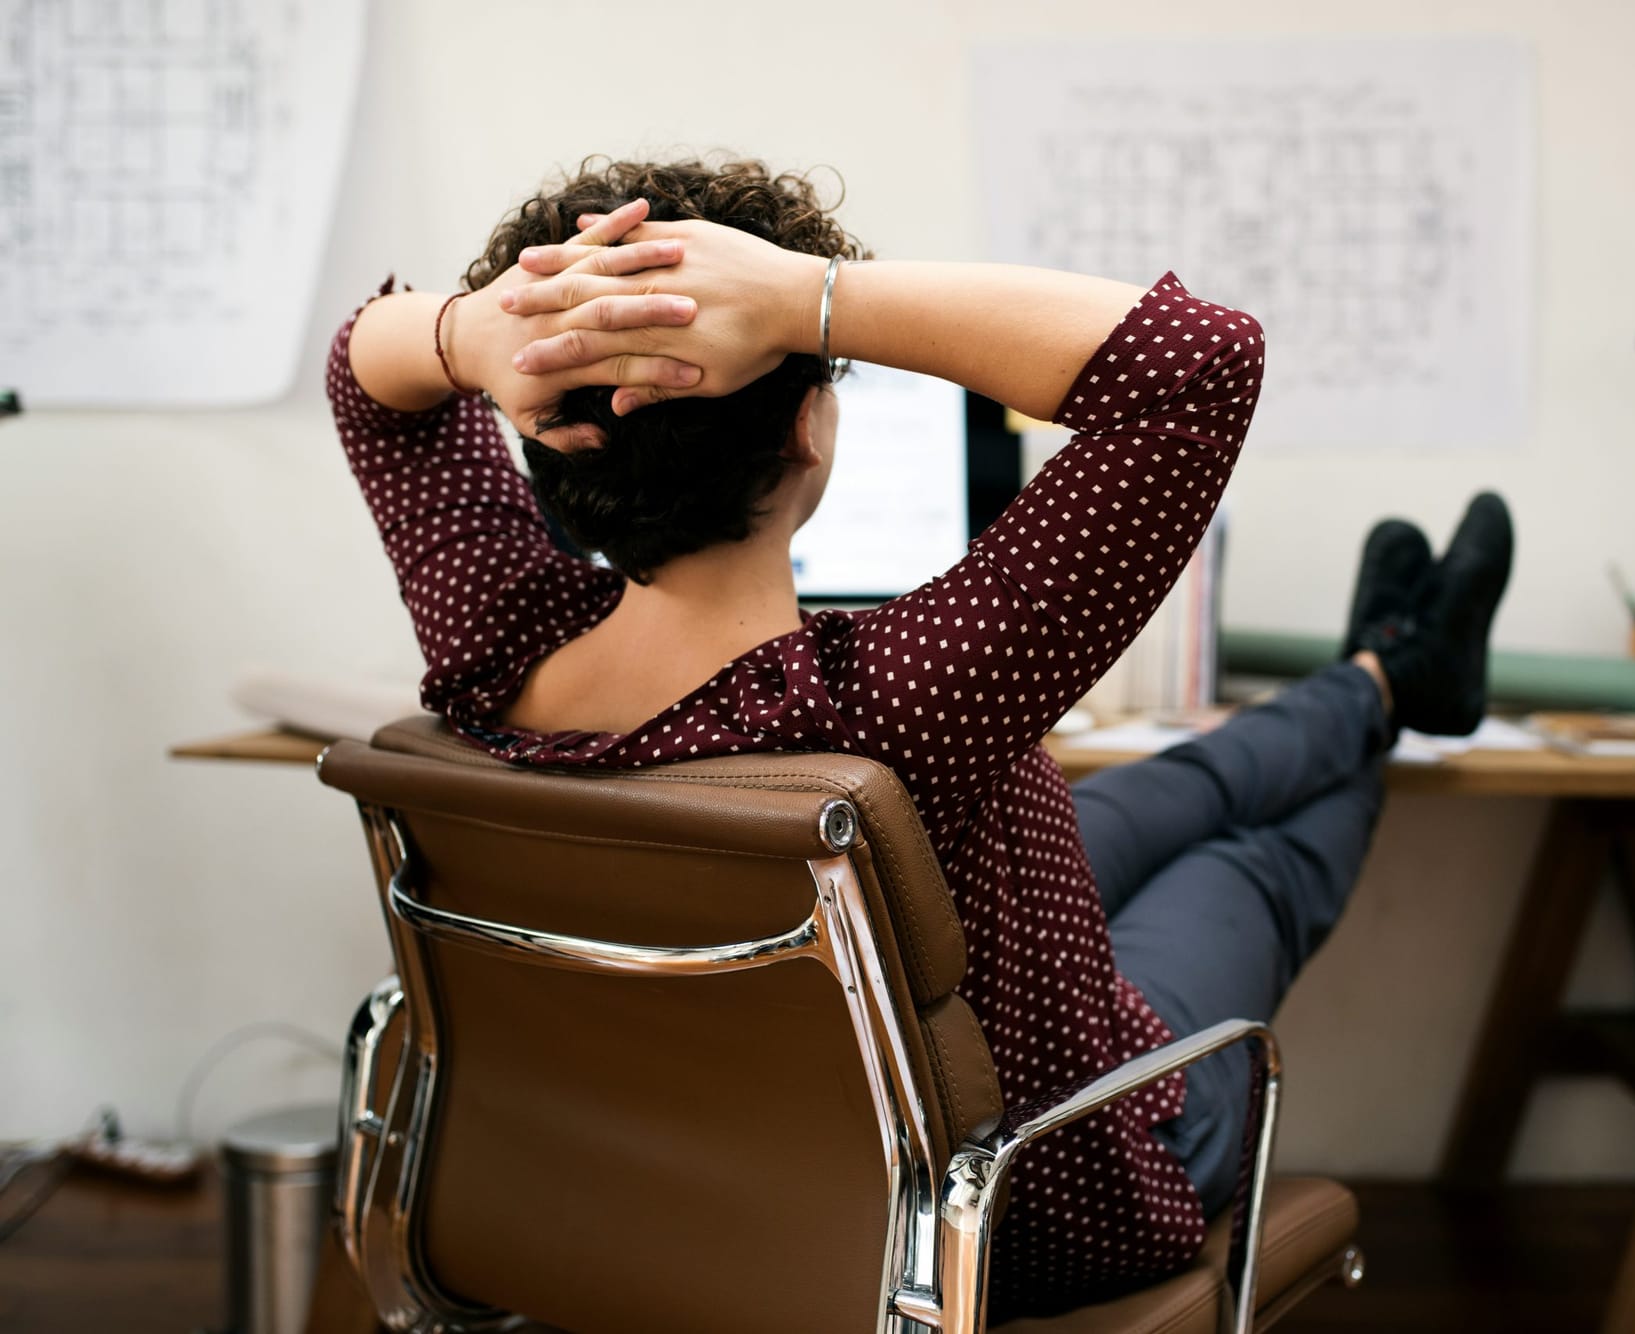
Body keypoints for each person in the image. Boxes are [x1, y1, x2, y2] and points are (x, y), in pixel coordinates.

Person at [330, 156, 1511, 1315]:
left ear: (539, 428)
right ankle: (1395, 685)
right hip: (1043, 1201)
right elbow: (1195, 366)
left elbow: (361, 368)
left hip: (729, 1168)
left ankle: (1387, 671)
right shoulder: (889, 705)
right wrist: (805, 299)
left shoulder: (497, 645)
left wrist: (482, 335)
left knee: (1180, 786)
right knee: (1249, 858)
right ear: (807, 429)